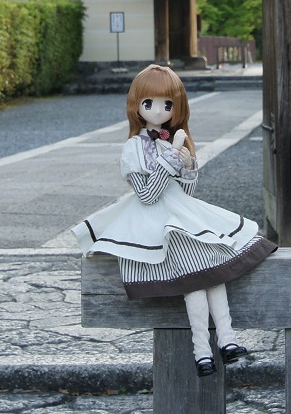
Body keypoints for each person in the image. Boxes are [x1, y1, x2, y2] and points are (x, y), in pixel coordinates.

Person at [73, 64, 276, 376]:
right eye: (149, 103)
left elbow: (186, 192)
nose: (158, 110)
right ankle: (203, 351)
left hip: (181, 212)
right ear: (136, 106)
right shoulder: (133, 149)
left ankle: (227, 340)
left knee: (212, 272)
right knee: (197, 280)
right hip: (157, 223)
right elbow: (148, 195)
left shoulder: (166, 142)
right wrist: (171, 158)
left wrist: (187, 166)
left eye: (167, 104)